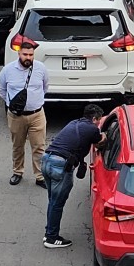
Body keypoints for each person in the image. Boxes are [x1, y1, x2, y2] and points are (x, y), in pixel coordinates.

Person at [41, 104, 106, 249]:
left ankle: (49, 232)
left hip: (46, 160)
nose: (98, 123)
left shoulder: (74, 123)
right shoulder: (92, 129)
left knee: (53, 201)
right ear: (95, 118)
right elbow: (100, 142)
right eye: (98, 120)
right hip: (60, 166)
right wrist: (105, 135)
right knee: (57, 204)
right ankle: (52, 238)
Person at [0, 41, 49, 188]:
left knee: (39, 146)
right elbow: (2, 91)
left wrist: (34, 102)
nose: (28, 57)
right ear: (19, 54)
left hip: (37, 114)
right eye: (25, 54)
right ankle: (17, 172)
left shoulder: (41, 69)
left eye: (31, 55)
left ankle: (40, 176)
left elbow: (45, 87)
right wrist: (14, 105)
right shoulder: (8, 70)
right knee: (17, 145)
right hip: (16, 116)